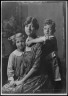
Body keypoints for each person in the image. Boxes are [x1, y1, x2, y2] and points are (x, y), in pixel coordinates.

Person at [26, 19, 62, 92]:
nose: (47, 31)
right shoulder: (43, 38)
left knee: (55, 79)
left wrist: (31, 41)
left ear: (54, 30)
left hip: (54, 62)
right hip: (47, 62)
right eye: (45, 29)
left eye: (50, 29)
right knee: (47, 78)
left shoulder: (52, 38)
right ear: (43, 29)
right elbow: (41, 39)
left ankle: (56, 91)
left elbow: (43, 39)